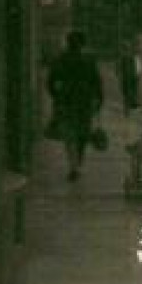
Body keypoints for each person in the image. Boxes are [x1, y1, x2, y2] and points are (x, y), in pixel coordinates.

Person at [46, 30, 103, 182]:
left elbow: (51, 81)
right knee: (82, 134)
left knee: (70, 135)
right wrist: (99, 100)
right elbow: (97, 82)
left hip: (66, 101)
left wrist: (56, 96)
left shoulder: (61, 59)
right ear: (83, 44)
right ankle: (78, 163)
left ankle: (73, 166)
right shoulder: (89, 60)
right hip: (85, 102)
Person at [116, 40, 140, 114]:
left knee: (129, 93)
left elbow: (136, 68)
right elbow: (118, 69)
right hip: (128, 78)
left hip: (130, 78)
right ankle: (128, 108)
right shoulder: (127, 58)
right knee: (128, 93)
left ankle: (129, 107)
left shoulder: (130, 58)